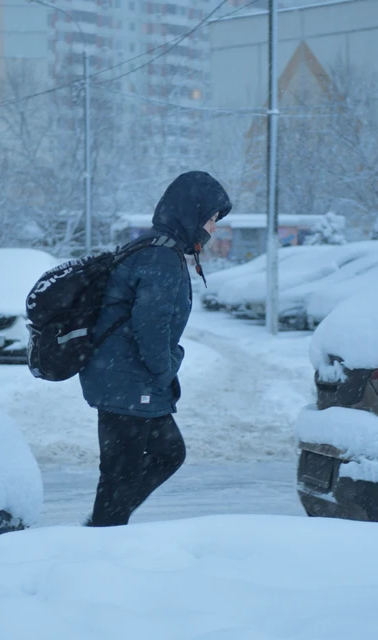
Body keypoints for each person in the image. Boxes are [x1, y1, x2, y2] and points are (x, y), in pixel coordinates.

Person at [78, 171, 232, 527]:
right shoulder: (159, 258)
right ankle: (101, 540)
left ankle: (105, 526)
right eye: (210, 218)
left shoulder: (158, 249)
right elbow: (152, 328)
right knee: (122, 472)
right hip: (127, 380)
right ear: (191, 214)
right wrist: (167, 368)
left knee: (166, 453)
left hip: (127, 378)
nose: (213, 228)